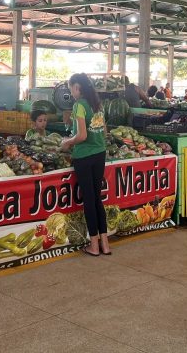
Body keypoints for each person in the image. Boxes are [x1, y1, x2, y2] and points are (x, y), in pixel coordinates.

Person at [60, 73, 109, 256]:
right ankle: (105, 244)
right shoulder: (98, 104)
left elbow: (81, 136)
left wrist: (67, 143)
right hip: (99, 153)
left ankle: (94, 246)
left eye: (71, 88)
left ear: (77, 87)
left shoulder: (79, 105)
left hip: (84, 156)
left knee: (89, 200)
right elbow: (103, 131)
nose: (71, 92)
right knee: (97, 199)